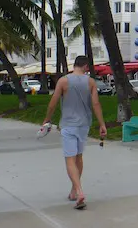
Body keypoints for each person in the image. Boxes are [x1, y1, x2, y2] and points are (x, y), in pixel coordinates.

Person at [43, 56, 107, 210]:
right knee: (78, 157)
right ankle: (74, 190)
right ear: (85, 66)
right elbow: (96, 103)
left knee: (70, 160)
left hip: (68, 125)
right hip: (84, 125)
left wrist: (47, 119)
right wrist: (102, 124)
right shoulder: (90, 82)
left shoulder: (63, 81)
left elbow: (53, 102)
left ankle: (79, 192)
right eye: (87, 67)